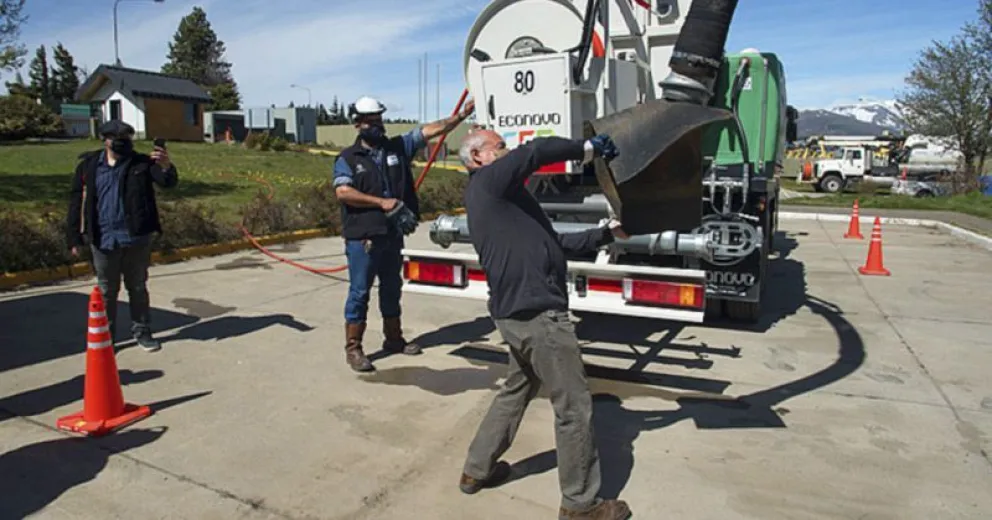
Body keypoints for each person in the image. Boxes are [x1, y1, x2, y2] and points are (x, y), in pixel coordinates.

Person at [454, 128, 633, 520]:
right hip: (538, 315)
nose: (506, 150)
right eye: (499, 146)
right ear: (479, 158)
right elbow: (535, 152)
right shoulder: (488, 182)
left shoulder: (506, 200)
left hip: (514, 314)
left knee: (516, 390)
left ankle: (476, 469)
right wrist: (587, 149)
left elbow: (554, 244)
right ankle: (580, 505)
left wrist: (605, 233)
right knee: (574, 406)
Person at [332, 95, 476, 372]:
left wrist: (459, 117)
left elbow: (431, 130)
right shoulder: (348, 158)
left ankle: (394, 339)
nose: (378, 126)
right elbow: (343, 192)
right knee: (360, 292)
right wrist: (381, 203)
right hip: (364, 239)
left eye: (379, 120)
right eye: (371, 122)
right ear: (358, 124)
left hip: (392, 236)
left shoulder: (398, 147)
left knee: (391, 288)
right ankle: (354, 348)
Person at [66, 120, 179, 352]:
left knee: (137, 286)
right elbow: (76, 201)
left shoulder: (142, 163)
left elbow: (167, 183)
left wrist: (166, 166)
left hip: (136, 236)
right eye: (118, 140)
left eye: (127, 139)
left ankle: (142, 331)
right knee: (107, 290)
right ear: (105, 140)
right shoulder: (89, 166)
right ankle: (107, 337)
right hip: (103, 237)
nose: (123, 144)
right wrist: (74, 237)